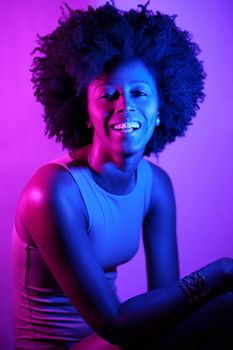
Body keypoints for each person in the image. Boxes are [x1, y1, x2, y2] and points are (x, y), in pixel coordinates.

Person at [12, 1, 233, 349]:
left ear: (161, 108)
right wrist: (220, 272)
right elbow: (114, 323)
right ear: (85, 110)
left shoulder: (156, 186)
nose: (124, 105)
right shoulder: (53, 191)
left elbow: (169, 307)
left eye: (140, 93)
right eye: (108, 94)